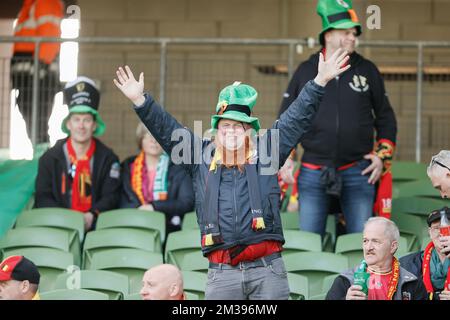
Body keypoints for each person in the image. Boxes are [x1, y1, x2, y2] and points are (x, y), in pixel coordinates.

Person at [114, 48, 351, 300]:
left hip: (267, 269)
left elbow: (296, 118)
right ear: (216, 129)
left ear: (249, 131)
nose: (231, 131)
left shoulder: (267, 151)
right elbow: (166, 129)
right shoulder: (199, 156)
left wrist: (320, 81)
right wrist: (141, 100)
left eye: (238, 126)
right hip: (222, 271)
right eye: (225, 125)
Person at [278, 0, 397, 236]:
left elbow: (385, 117)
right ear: (328, 35)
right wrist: (286, 158)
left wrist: (381, 157)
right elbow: (287, 119)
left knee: (360, 243)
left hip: (359, 171)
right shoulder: (305, 70)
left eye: (354, 33)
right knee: (310, 241)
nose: (352, 37)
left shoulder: (367, 69)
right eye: (346, 32)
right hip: (313, 170)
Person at [34, 76, 121, 231]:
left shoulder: (109, 159)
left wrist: (92, 214)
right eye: (76, 120)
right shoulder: (49, 158)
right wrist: (67, 219)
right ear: (68, 124)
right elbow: (42, 197)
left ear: (94, 125)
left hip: (96, 228)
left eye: (87, 120)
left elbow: (112, 196)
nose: (81, 126)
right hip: (56, 227)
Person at [326, 217, 427, 300]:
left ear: (393, 247)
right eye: (365, 241)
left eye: (375, 241)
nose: (368, 247)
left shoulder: (412, 283)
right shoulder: (346, 280)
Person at [120, 122, 195, 235]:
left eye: (158, 135)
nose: (154, 140)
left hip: (168, 229)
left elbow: (186, 203)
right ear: (141, 139)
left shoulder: (180, 167)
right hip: (133, 225)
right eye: (149, 135)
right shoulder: (128, 166)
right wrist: (140, 209)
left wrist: (154, 207)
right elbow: (120, 200)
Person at [11, 0, 64, 143]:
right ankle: (40, 154)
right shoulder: (29, 6)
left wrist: (41, 67)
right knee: (32, 119)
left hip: (39, 76)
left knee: (38, 121)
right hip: (27, 76)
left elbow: (49, 36)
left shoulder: (45, 2)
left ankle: (42, 156)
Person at [400, 207, 450, 300]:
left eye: (446, 228)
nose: (441, 233)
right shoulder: (408, 264)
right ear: (430, 232)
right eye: (436, 228)